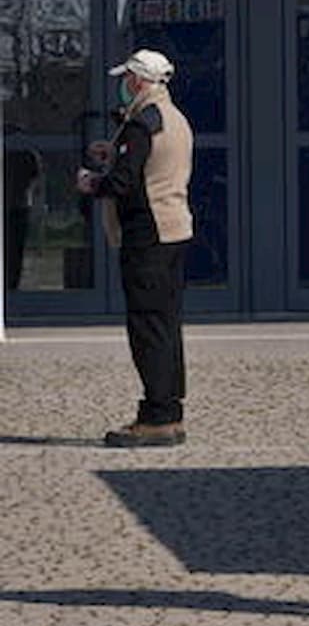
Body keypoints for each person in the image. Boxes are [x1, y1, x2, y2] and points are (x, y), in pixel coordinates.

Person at [76, 48, 194, 448]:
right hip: (175, 228)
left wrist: (93, 183)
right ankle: (171, 411)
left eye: (126, 80)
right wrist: (115, 151)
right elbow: (152, 165)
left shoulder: (142, 124)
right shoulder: (173, 118)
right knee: (167, 324)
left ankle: (156, 416)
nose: (122, 87)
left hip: (148, 234)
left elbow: (125, 183)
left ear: (138, 81)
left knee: (148, 327)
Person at [4, 123, 42, 290]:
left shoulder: (24, 154)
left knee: (12, 251)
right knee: (15, 253)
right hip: (19, 205)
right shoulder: (28, 153)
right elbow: (36, 177)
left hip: (16, 205)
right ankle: (11, 285)